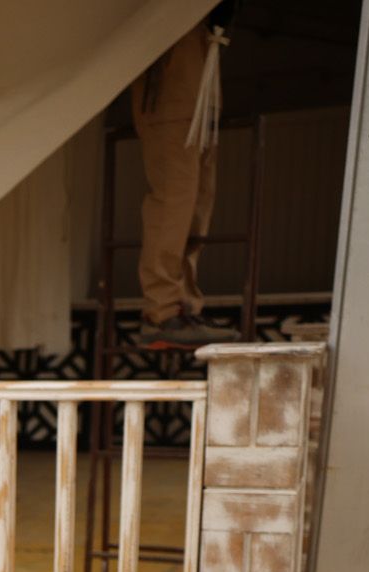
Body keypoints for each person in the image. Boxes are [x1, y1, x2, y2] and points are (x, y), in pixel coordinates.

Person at [132, 6, 238, 348]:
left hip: (201, 90)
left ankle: (184, 303)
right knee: (173, 202)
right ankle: (161, 310)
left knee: (198, 205)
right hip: (172, 91)